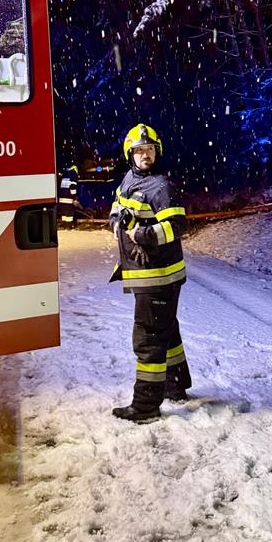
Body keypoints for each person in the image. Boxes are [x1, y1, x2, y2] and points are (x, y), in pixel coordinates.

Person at [109, 124, 192, 422]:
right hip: (145, 274)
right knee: (166, 330)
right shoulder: (129, 180)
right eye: (139, 150)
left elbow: (178, 225)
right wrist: (117, 219)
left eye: (150, 150)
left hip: (159, 276)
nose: (145, 155)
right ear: (130, 154)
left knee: (148, 338)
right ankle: (175, 385)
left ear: (158, 152)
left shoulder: (160, 186)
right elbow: (117, 206)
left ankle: (145, 406)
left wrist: (143, 235)